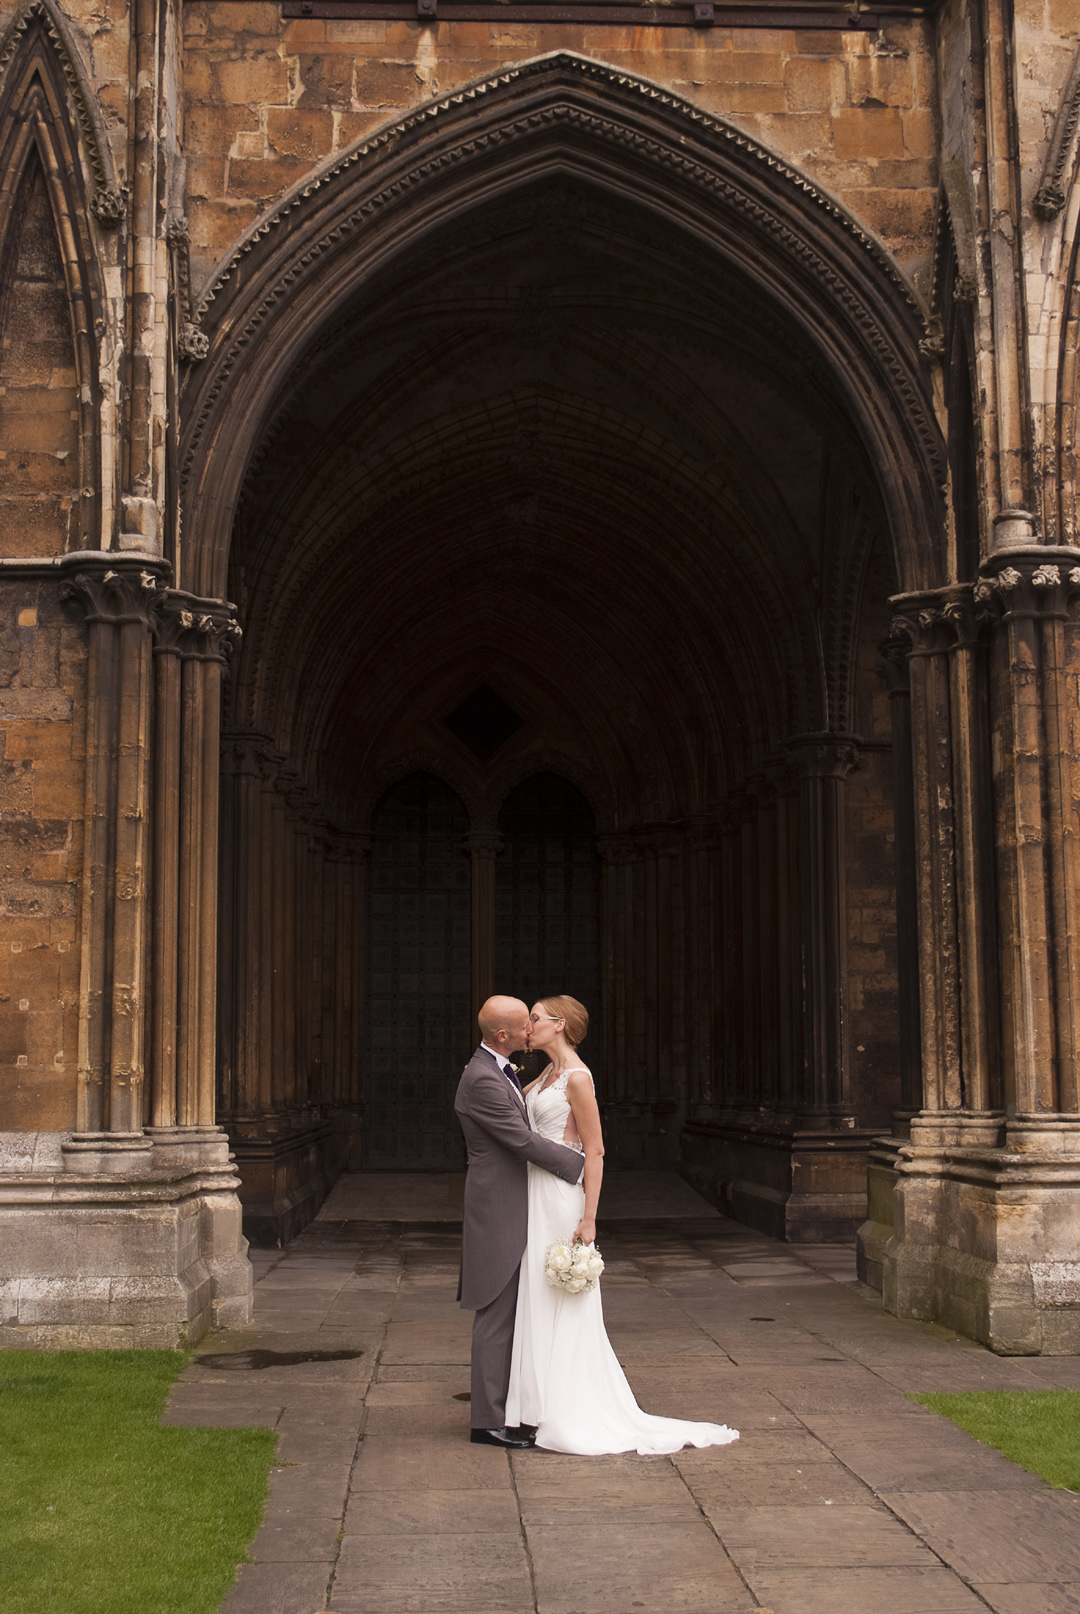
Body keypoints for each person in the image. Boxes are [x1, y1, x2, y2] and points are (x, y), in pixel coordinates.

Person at [505, 994, 739, 1455]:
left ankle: (567, 1408)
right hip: (533, 1192)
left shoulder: (577, 1078)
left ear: (561, 1024)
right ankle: (533, 1405)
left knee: (562, 1294)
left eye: (534, 1018)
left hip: (560, 1197)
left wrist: (589, 1218)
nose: (527, 1025)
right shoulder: (541, 1076)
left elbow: (594, 1151)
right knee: (535, 1293)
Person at [454, 994, 586, 1449]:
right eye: (524, 1024)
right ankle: (486, 1422)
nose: (530, 1030)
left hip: (521, 1201)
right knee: (496, 1311)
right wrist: (579, 1165)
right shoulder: (484, 1079)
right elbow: (521, 1140)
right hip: (498, 1208)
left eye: (536, 1020)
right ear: (504, 1036)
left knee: (518, 1310)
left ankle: (513, 1408)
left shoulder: (506, 1071)